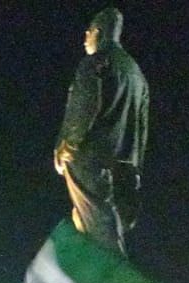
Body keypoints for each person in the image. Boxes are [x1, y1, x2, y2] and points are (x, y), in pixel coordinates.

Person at [55, 7, 148, 255]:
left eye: (87, 33)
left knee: (98, 225)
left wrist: (68, 144)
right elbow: (142, 124)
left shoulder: (96, 62)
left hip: (92, 159)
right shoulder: (136, 74)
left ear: (97, 32)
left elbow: (87, 103)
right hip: (124, 165)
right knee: (106, 224)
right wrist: (135, 167)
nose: (85, 39)